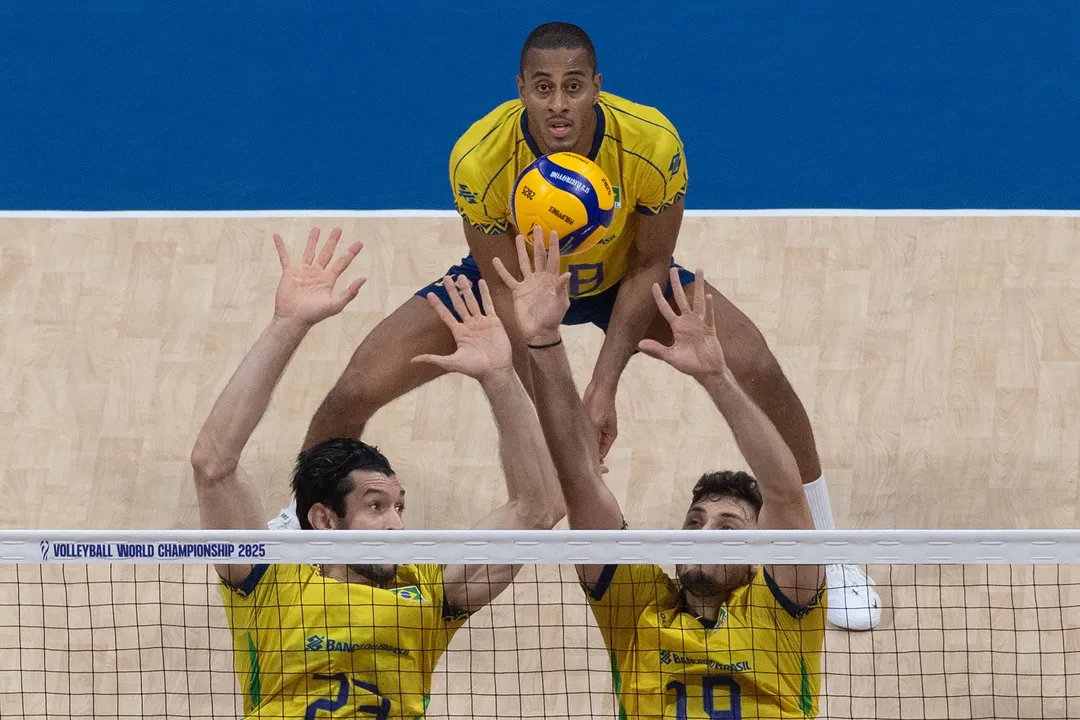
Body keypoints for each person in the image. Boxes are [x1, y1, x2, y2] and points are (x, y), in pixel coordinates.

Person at [279, 21, 880, 631]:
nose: (558, 104)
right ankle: (304, 534)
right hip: (522, 281)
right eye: (542, 88)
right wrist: (557, 411)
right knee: (357, 385)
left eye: (572, 86)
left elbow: (651, 261)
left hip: (627, 273)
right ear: (520, 88)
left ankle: (826, 550)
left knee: (758, 369)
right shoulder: (478, 158)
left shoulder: (651, 142)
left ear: (598, 85)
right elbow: (511, 295)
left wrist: (602, 387)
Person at [190, 228, 564, 719]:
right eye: (375, 506)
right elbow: (212, 466)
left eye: (399, 507)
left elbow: (538, 511)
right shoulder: (268, 583)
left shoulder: (429, 590)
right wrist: (287, 325)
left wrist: (499, 376)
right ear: (324, 520)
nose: (396, 525)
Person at [494, 227, 826, 718]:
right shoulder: (636, 606)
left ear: (761, 551)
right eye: (694, 521)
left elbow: (784, 492)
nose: (703, 532)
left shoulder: (782, 609)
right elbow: (579, 478)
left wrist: (718, 379)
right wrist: (543, 342)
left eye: (728, 526)